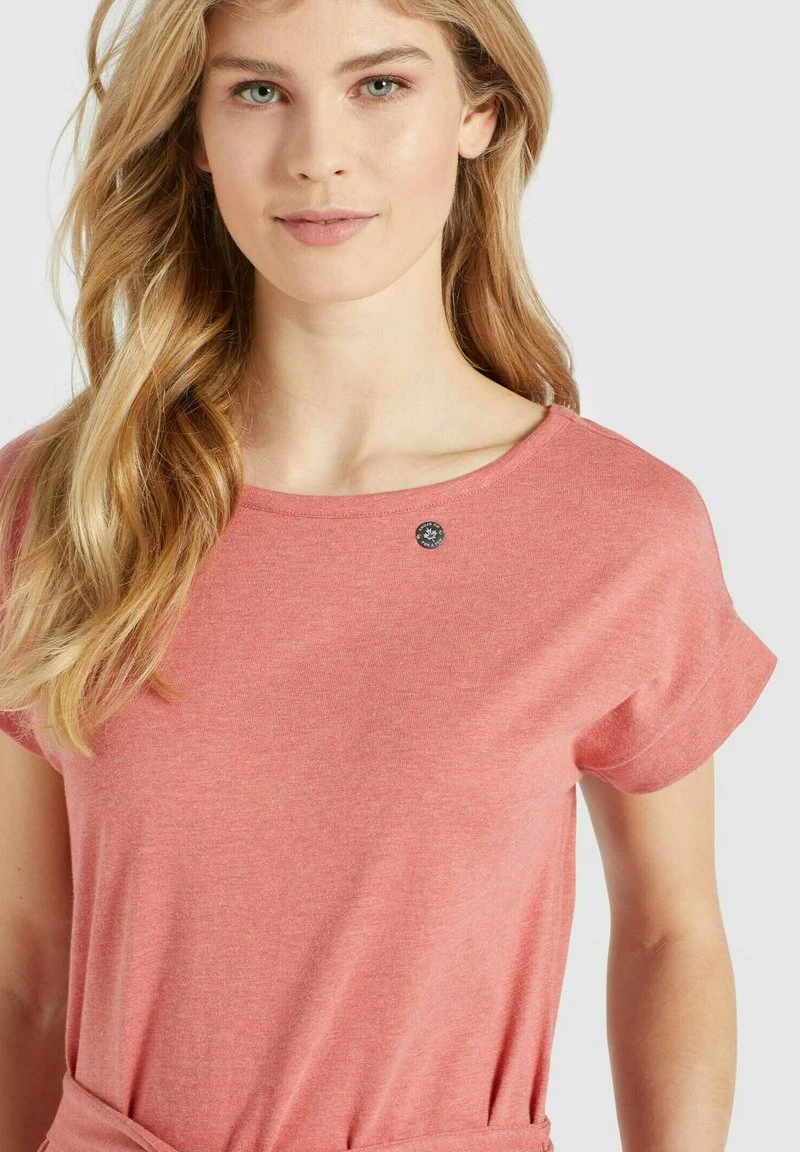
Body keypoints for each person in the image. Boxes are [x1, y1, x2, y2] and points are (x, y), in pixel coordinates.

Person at [0, 2, 777, 1151]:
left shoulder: (616, 532)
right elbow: (25, 964)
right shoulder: (65, 499)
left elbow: (670, 934)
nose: (317, 152)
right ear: (196, 133)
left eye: (378, 86)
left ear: (478, 113)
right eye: (257, 90)